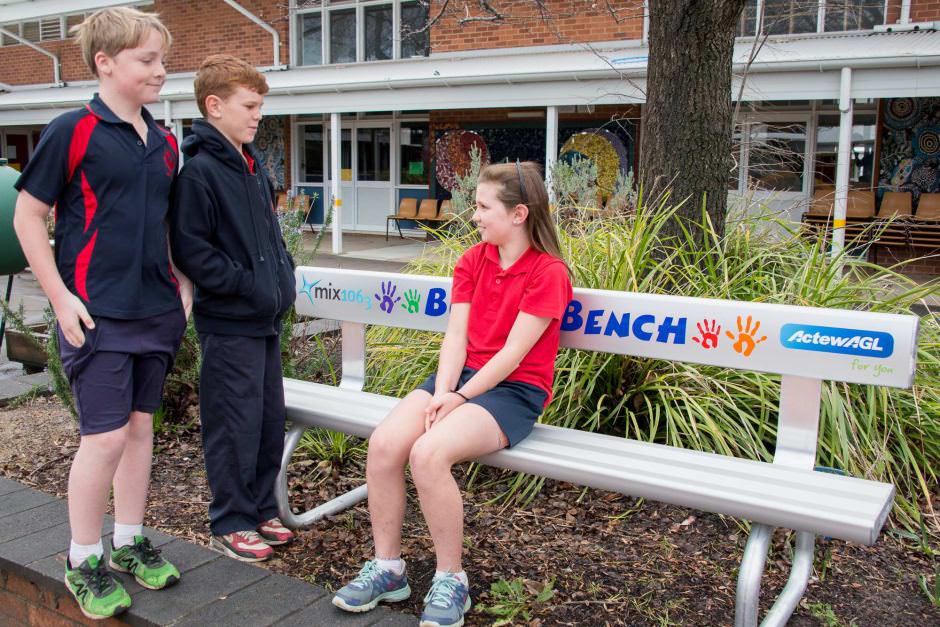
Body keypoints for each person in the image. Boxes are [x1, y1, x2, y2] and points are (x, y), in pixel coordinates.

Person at [332, 162, 573, 627]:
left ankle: (451, 579)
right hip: (460, 379)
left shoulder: (548, 273)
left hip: (514, 391)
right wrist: (443, 391)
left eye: (484, 206)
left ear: (519, 213)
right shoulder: (472, 260)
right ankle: (388, 569)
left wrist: (458, 398)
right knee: (385, 445)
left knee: (426, 454)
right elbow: (455, 338)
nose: (474, 214)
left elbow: (512, 355)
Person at [12, 7, 189, 620]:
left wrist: (182, 294)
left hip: (156, 312)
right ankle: (82, 556)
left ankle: (129, 540)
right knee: (105, 436)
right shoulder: (72, 130)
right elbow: (28, 216)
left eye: (162, 59)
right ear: (105, 63)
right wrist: (61, 298)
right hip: (97, 315)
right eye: (147, 60)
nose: (161, 71)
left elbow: (167, 225)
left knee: (140, 431)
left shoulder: (165, 142)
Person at [168, 55, 296, 563]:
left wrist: (281, 276)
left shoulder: (251, 164)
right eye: (249, 105)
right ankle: (232, 518)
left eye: (260, 105)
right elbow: (192, 250)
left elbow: (268, 237)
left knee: (266, 419)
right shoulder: (199, 173)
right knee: (233, 422)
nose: (257, 114)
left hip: (263, 321)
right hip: (230, 322)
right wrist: (247, 285)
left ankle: (262, 507)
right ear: (214, 105)